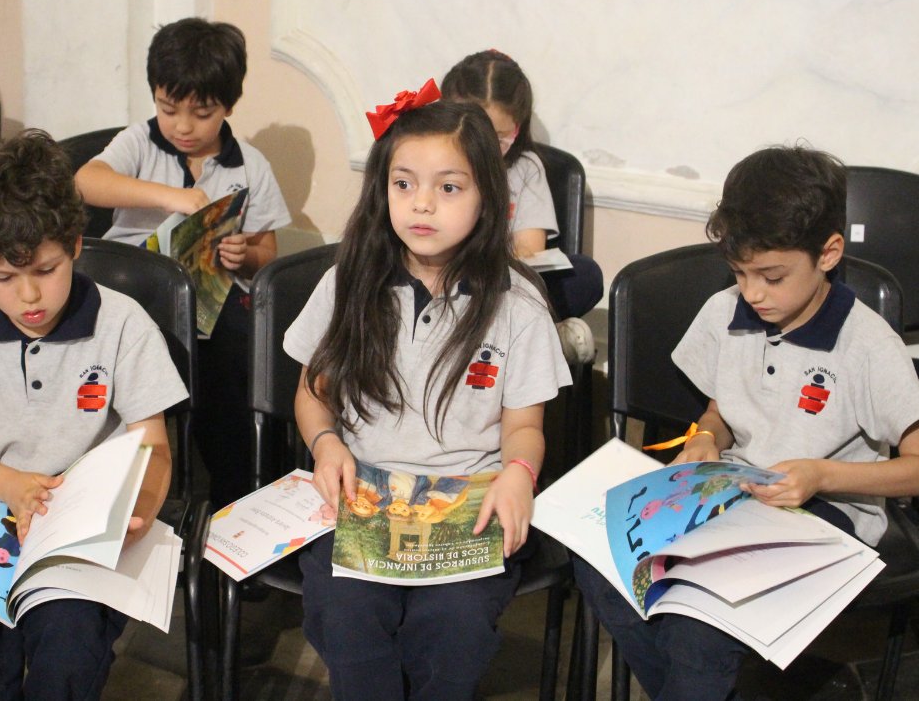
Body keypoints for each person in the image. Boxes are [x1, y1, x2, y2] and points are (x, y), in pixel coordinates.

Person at [573, 146, 919, 701]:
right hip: (734, 492)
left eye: (772, 276)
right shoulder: (724, 311)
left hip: (826, 511)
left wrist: (822, 475)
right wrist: (707, 437)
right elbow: (721, 410)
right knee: (601, 565)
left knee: (698, 629)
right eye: (740, 273)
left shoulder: (869, 345)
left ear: (829, 253)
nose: (753, 293)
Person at [284, 92, 570, 700]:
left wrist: (519, 474)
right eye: (404, 183)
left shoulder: (518, 303)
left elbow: (524, 426)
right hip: (360, 495)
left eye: (449, 187)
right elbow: (313, 393)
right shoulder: (348, 281)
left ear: (488, 197)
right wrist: (326, 443)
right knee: (346, 616)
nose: (421, 203)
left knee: (454, 629)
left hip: (468, 503)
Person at [0, 131, 188, 699]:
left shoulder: (122, 323)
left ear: (75, 246)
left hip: (82, 525)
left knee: (69, 651)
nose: (29, 296)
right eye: (3, 278)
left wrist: (139, 510)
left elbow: (152, 444)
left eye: (46, 270)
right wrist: (9, 485)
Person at [75, 16, 290, 507]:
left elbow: (267, 253)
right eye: (168, 109)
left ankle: (235, 498)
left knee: (234, 366)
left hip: (209, 306)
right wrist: (171, 196)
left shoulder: (249, 164)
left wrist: (244, 254)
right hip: (132, 295)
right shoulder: (139, 141)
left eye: (202, 113)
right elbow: (86, 181)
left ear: (229, 106)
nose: (183, 127)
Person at [441, 49, 603, 361]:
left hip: (501, 282)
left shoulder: (524, 168)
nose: (485, 146)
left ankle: (520, 339)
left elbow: (529, 248)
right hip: (445, 277)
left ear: (517, 127)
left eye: (499, 136)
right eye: (474, 133)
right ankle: (546, 342)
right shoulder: (434, 161)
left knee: (584, 275)